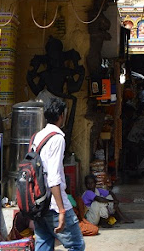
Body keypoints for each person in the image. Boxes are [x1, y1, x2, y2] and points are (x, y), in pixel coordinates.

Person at [32, 97, 85, 251]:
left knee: (44, 244)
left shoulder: (38, 136)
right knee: (76, 245)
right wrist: (62, 210)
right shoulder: (57, 138)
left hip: (39, 202)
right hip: (54, 204)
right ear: (62, 115)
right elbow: (53, 178)